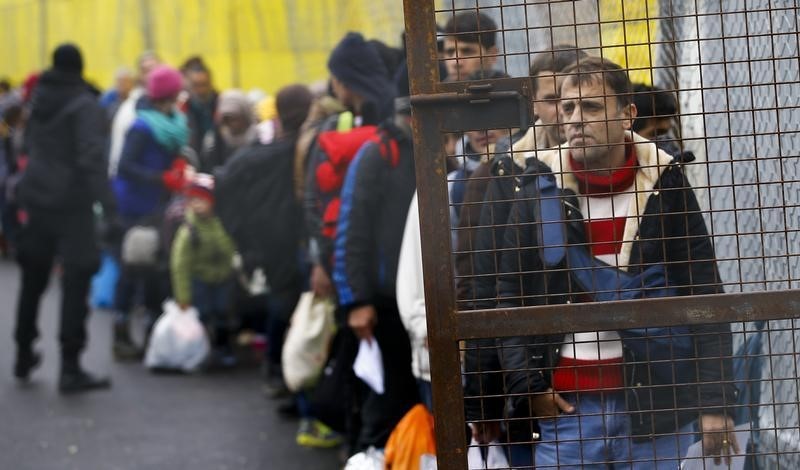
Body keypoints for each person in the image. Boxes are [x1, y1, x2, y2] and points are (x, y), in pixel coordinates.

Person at [496, 56, 737, 468]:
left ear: (627, 115)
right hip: (567, 412)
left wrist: (715, 403)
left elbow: (704, 291)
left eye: (591, 107)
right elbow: (509, 295)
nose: (575, 119)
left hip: (657, 407)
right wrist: (529, 387)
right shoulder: (538, 188)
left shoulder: (665, 183)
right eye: (568, 108)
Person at [457, 46, 590, 467]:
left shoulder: (623, 166)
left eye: (575, 101)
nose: (565, 114)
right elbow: (481, 285)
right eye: (553, 101)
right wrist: (484, 398)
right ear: (534, 103)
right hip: (524, 372)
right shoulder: (500, 174)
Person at [12, 43, 115, 393]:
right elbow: (91, 159)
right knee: (76, 282)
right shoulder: (84, 105)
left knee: (32, 282)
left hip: (36, 199)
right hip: (73, 205)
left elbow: (25, 147)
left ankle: (23, 352)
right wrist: (109, 206)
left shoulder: (38, 99)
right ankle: (70, 367)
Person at [332, 64, 419, 454]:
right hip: (382, 306)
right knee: (383, 406)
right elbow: (351, 232)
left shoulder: (437, 155)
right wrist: (357, 301)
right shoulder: (377, 155)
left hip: (421, 300)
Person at [215, 83, 313, 396]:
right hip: (287, 242)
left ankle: (280, 369)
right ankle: (283, 370)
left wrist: (241, 234)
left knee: (283, 302)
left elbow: (225, 182)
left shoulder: (258, 155)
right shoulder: (301, 148)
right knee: (289, 304)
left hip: (270, 241)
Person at [112, 64, 191, 360]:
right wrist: (160, 178)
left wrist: (177, 170)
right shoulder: (141, 126)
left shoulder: (174, 122)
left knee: (154, 271)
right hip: (136, 208)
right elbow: (125, 166)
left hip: (160, 206)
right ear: (167, 95)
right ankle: (120, 332)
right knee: (132, 267)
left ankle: (150, 334)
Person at [170, 173, 236, 366]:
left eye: (202, 200)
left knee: (223, 312)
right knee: (204, 314)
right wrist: (183, 297)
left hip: (221, 278)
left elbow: (229, 251)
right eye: (193, 200)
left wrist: (221, 238)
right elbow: (179, 265)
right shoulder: (188, 231)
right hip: (199, 279)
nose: (197, 204)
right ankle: (203, 349)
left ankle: (222, 347)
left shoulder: (220, 225)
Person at [108, 51, 162, 177]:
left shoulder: (172, 105)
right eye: (146, 71)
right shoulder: (129, 108)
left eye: (155, 69)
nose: (151, 75)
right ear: (140, 76)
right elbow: (118, 149)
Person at [200, 89, 258, 172]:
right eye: (225, 120)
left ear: (245, 116)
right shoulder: (217, 138)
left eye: (233, 119)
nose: (229, 125)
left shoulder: (260, 137)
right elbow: (211, 168)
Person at [441, 10, 499, 81]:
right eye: (450, 52)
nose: (456, 63)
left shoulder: (511, 88)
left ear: (492, 55)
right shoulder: (435, 90)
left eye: (467, 52)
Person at [183, 60, 218, 156]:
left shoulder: (220, 104)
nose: (200, 90)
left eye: (204, 85)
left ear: (210, 83)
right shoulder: (183, 107)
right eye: (196, 85)